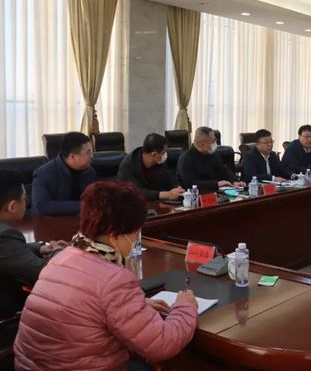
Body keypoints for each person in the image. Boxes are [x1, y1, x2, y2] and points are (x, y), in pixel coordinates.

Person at [14, 181, 198, 370]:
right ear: (114, 236)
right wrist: (185, 307)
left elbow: (87, 307)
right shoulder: (114, 280)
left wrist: (135, 306)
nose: (135, 241)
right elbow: (161, 344)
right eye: (135, 235)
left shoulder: (62, 257)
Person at [0, 171, 66, 343]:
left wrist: (40, 248)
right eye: (24, 198)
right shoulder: (4, 236)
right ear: (12, 206)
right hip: (7, 316)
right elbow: (45, 273)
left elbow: (9, 251)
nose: (27, 201)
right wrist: (58, 251)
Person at [31, 132, 96, 215]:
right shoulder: (43, 174)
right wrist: (82, 205)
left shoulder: (89, 172)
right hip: (52, 221)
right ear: (73, 157)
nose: (91, 156)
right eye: (88, 152)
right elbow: (42, 206)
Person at [118, 133, 184, 201]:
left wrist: (177, 188)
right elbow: (135, 192)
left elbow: (167, 180)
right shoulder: (128, 164)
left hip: (157, 203)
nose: (166, 155)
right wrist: (166, 195)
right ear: (154, 155)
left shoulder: (159, 161)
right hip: (135, 203)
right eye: (164, 153)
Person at [177, 127, 245, 190]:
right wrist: (217, 184)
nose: (215, 143)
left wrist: (235, 181)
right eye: (213, 141)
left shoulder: (211, 154)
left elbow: (224, 170)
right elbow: (191, 184)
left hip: (218, 193)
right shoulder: (186, 159)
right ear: (204, 145)